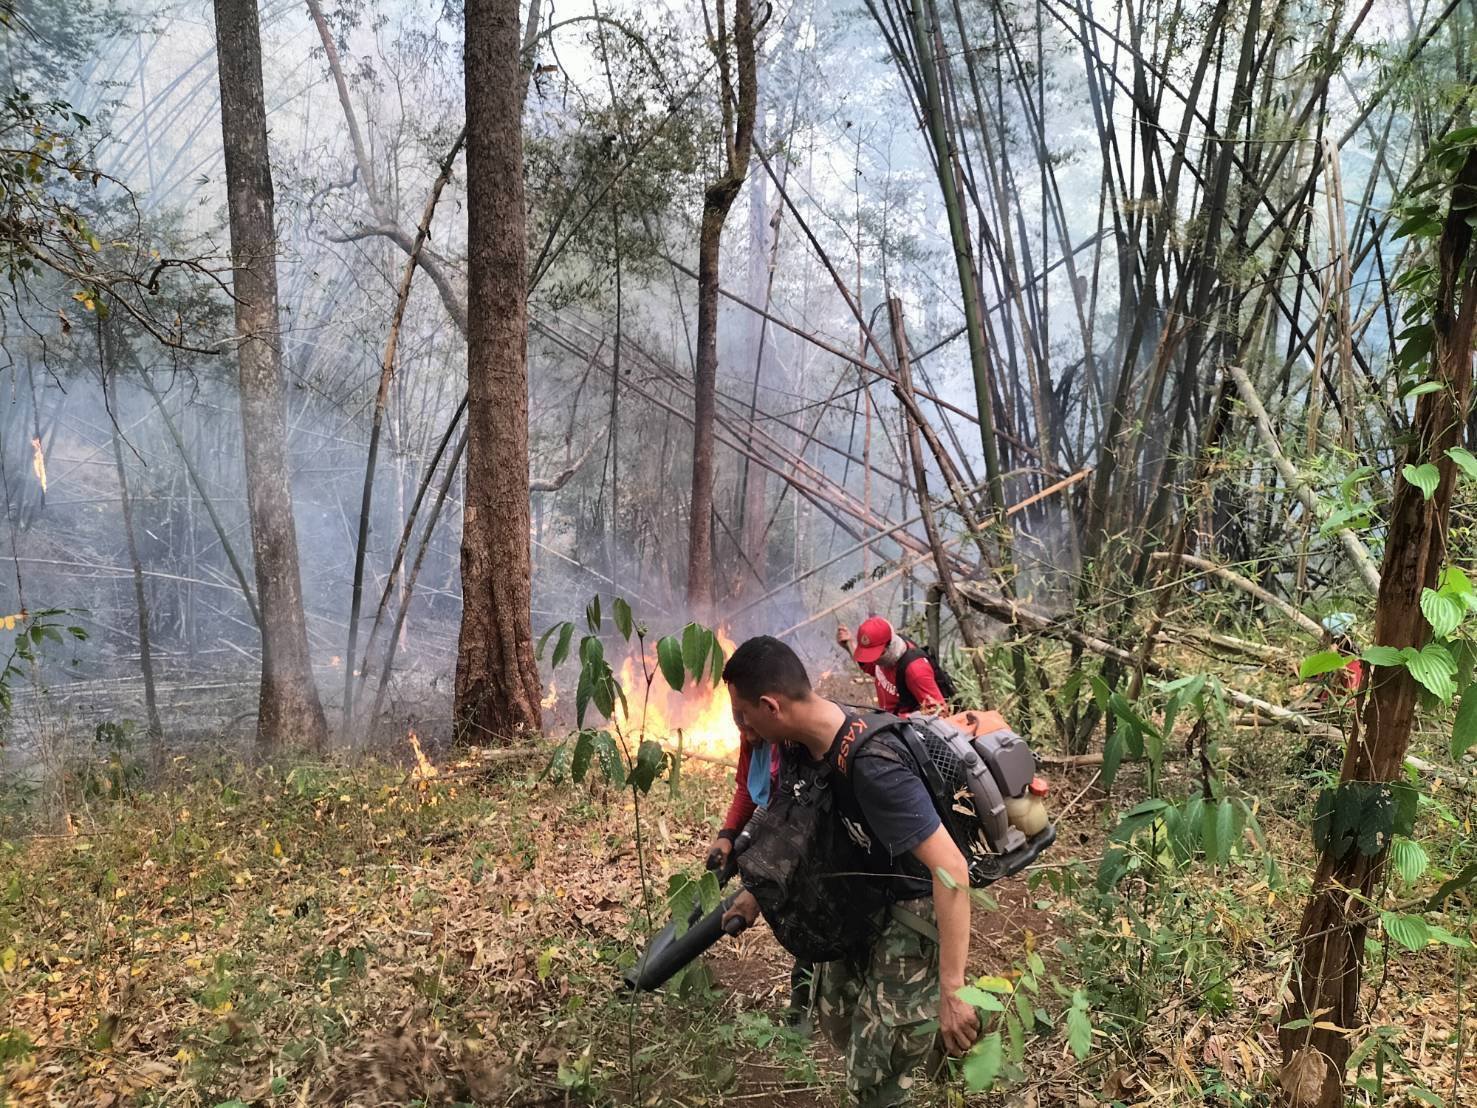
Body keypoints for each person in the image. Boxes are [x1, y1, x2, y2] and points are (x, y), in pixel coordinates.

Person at [719, 636, 980, 1107]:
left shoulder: (875, 765)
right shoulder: (805, 744)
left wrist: (952, 988)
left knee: (874, 1075)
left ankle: (950, 1021)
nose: (743, 727)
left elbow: (952, 871)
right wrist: (757, 892)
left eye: (743, 715)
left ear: (769, 706)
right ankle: (924, 1030)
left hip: (912, 906)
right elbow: (803, 825)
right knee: (837, 1017)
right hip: (860, 898)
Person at [704, 722, 814, 1023]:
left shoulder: (801, 745)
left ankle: (801, 1003)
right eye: (739, 723)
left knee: (806, 910)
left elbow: (804, 827)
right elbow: (746, 788)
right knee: (720, 870)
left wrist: (757, 891)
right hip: (771, 820)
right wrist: (728, 834)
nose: (747, 735)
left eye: (751, 725)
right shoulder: (751, 731)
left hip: (806, 836)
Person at [837, 617, 949, 716]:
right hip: (889, 719)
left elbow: (940, 712)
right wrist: (850, 645)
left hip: (908, 730)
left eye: (874, 655)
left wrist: (901, 720)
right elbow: (871, 667)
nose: (873, 661)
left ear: (890, 646)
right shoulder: (884, 658)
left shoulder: (915, 669)